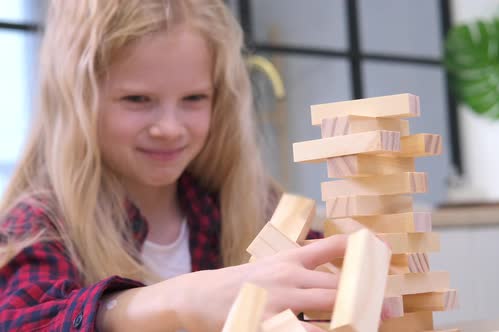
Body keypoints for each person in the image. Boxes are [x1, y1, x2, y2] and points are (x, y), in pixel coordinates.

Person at [0, 1, 358, 331]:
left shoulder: (250, 209)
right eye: (137, 99)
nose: (169, 128)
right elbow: (22, 321)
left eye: (193, 99)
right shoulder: (38, 228)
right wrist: (178, 299)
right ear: (77, 101)